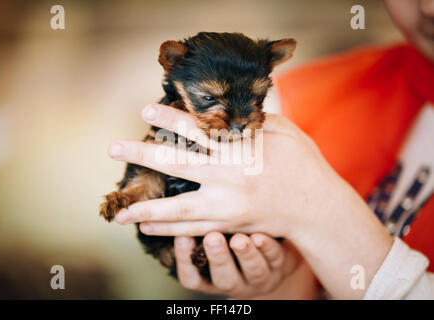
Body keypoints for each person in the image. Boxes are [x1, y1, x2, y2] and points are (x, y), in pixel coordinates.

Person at [108, 0, 434, 299]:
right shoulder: (303, 94)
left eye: (255, 99)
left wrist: (316, 211)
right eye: (211, 99)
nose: (429, 7)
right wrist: (278, 284)